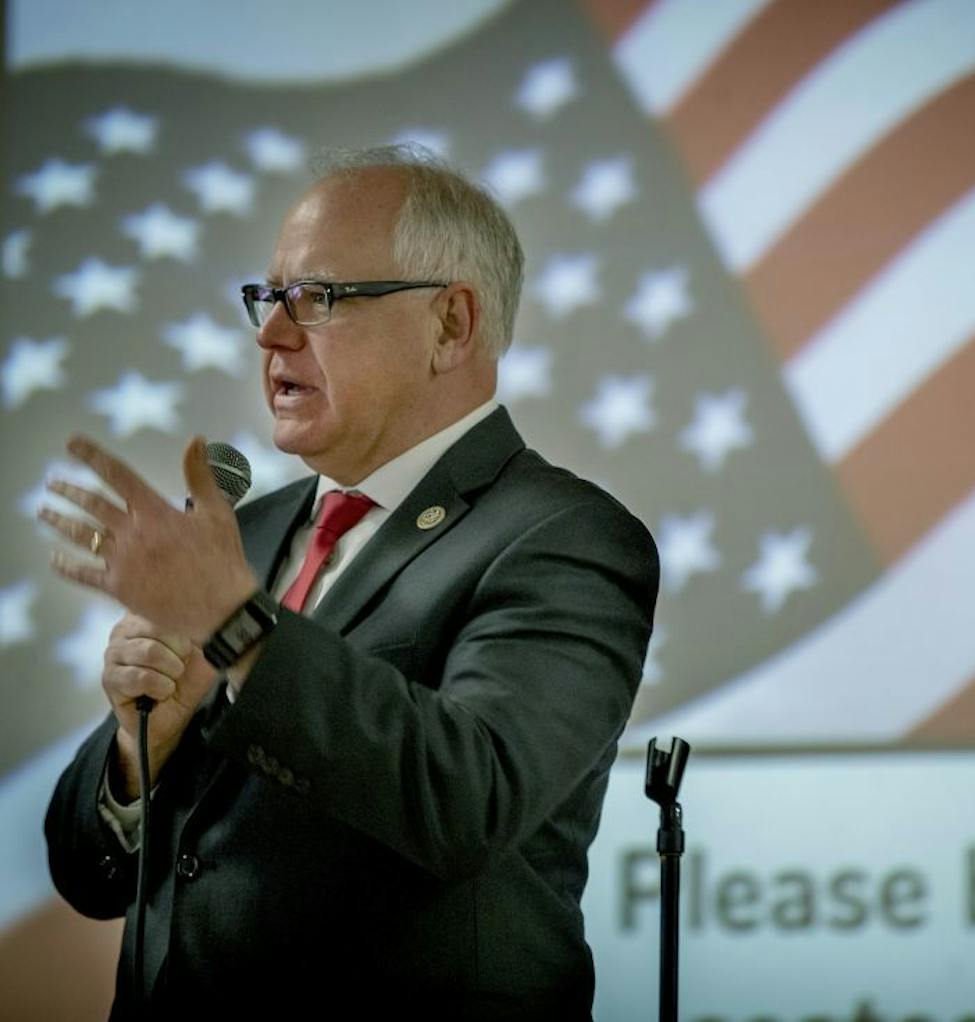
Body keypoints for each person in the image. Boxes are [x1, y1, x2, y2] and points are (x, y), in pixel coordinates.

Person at [40, 144, 659, 1019]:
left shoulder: (564, 539)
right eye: (269, 297)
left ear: (451, 324)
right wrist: (141, 752)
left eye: (319, 298)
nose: (271, 334)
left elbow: (467, 797)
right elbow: (89, 876)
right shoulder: (246, 536)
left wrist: (236, 629)